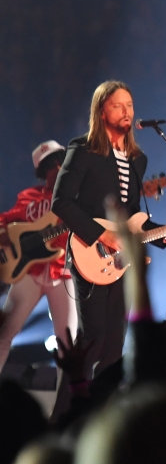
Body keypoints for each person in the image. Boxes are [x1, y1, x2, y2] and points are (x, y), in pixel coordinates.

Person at [51, 82, 166, 385]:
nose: (127, 112)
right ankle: (70, 415)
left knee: (114, 346)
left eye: (130, 105)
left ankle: (101, 408)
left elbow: (135, 217)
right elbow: (60, 201)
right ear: (101, 112)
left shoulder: (138, 160)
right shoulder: (83, 149)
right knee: (93, 340)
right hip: (91, 253)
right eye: (118, 106)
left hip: (122, 261)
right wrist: (101, 234)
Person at [0, 141, 75, 371]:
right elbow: (5, 220)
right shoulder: (29, 197)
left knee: (69, 345)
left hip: (62, 272)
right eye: (50, 167)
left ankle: (70, 403)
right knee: (3, 334)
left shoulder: (76, 198)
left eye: (58, 162)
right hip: (27, 272)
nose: (57, 168)